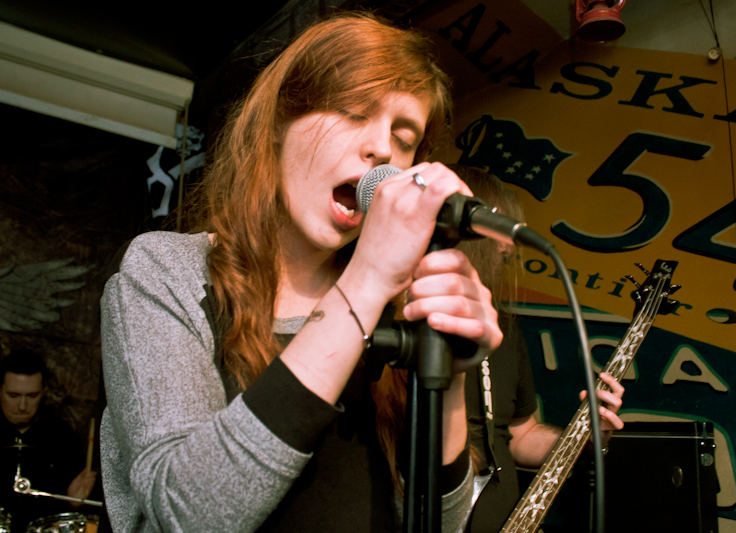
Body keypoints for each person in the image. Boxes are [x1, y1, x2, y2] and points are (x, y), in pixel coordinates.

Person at [99, 13, 503, 533]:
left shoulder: (397, 310)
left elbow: (436, 525)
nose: (382, 149)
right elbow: (190, 516)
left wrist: (448, 376)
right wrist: (366, 280)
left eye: (404, 139)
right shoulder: (166, 272)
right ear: (276, 127)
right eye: (353, 111)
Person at [448, 165, 625, 533]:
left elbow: (521, 435)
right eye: (499, 230)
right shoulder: (405, 319)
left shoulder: (505, 328)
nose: (506, 246)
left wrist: (585, 436)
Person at [0, 348, 97, 532]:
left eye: (31, 396)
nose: (22, 406)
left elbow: (66, 520)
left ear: (44, 392)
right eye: (13, 396)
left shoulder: (61, 435)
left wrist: (74, 502)